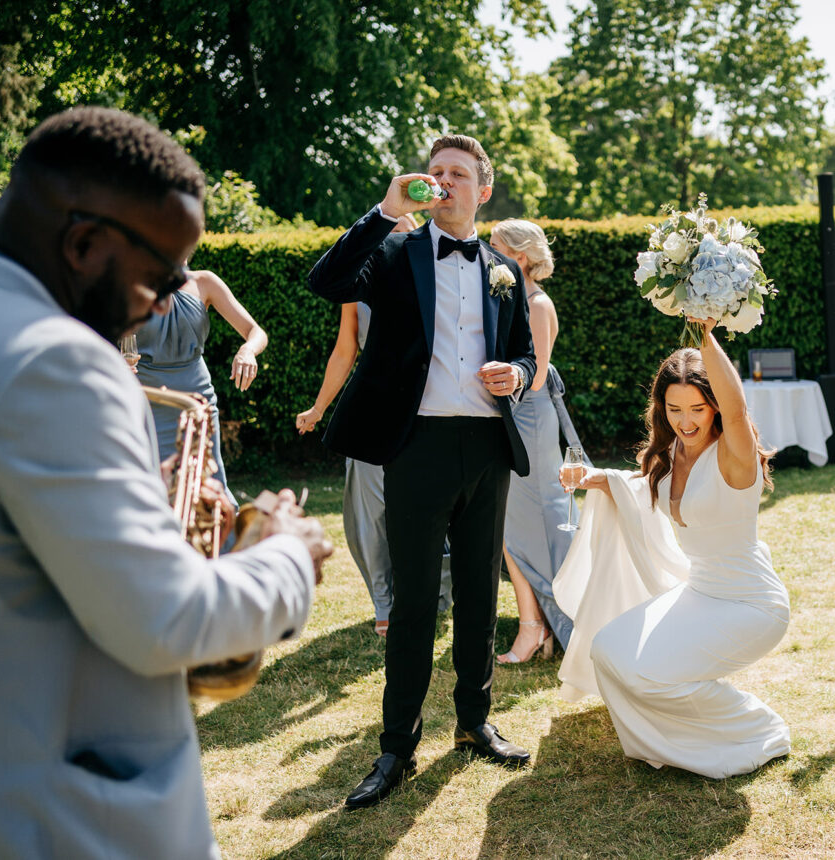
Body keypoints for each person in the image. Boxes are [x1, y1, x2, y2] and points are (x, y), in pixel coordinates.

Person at [0, 106, 329, 859]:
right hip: (64, 822)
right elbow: (166, 621)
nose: (173, 290)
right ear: (83, 244)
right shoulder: (60, 362)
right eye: (161, 269)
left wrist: (132, 497)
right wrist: (288, 553)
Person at [308, 134, 537, 809]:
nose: (443, 182)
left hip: (487, 448)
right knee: (413, 604)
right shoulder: (394, 251)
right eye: (434, 173)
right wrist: (382, 211)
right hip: (415, 447)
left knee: (477, 594)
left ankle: (473, 723)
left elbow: (524, 351)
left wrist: (516, 374)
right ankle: (396, 749)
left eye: (457, 174)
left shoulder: (504, 268)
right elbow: (325, 281)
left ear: (483, 189)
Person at [554, 326, 790, 779]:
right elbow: (646, 490)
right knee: (607, 649)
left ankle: (758, 727)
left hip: (751, 604)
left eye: (698, 409)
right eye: (674, 408)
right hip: (699, 592)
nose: (686, 421)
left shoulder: (733, 454)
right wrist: (594, 477)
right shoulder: (672, 454)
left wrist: (706, 331)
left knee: (650, 674)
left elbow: (739, 411)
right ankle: (669, 742)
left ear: (715, 406)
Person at [297, 214, 421, 636]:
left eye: (403, 233)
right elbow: (344, 351)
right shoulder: (361, 285)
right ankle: (384, 601)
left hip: (426, 410)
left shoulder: (438, 276)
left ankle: (425, 592)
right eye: (389, 235)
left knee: (421, 508)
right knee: (371, 512)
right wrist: (318, 408)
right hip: (373, 409)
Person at [488, 219, 578, 663]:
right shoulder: (507, 299)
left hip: (532, 421)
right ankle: (534, 625)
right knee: (509, 526)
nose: (487, 252)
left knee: (536, 523)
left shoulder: (538, 304)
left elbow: (537, 376)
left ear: (519, 257)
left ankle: (552, 625)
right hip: (510, 418)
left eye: (494, 245)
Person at [137, 266, 267, 505]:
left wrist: (247, 350)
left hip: (199, 404)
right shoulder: (131, 283)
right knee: (151, 491)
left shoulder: (205, 282)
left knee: (209, 487)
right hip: (145, 403)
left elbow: (255, 331)